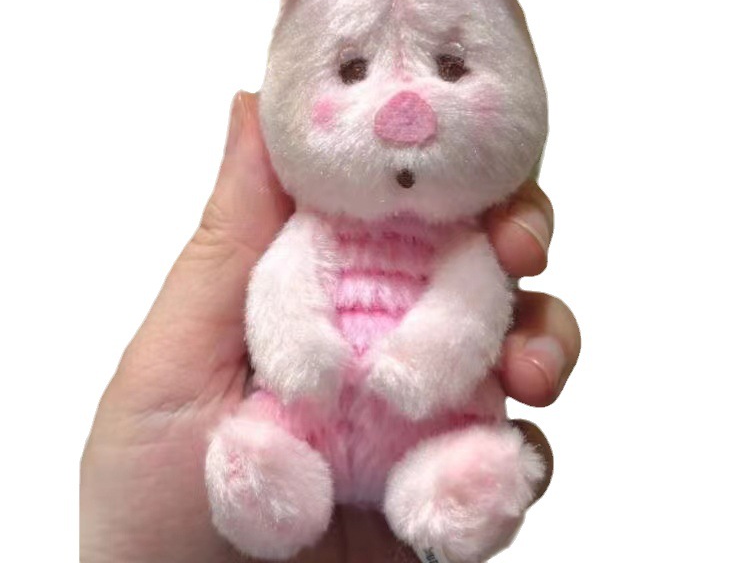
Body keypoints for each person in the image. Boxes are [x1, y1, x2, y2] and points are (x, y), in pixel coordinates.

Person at [80, 92, 581, 562]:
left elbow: (468, 308)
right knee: (253, 451)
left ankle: (450, 487)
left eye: (450, 67)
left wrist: (422, 363)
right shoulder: (308, 232)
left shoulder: (468, 247)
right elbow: (283, 293)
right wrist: (298, 356)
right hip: (308, 418)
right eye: (352, 70)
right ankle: (270, 482)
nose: (405, 114)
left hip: (431, 424)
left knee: (476, 459)